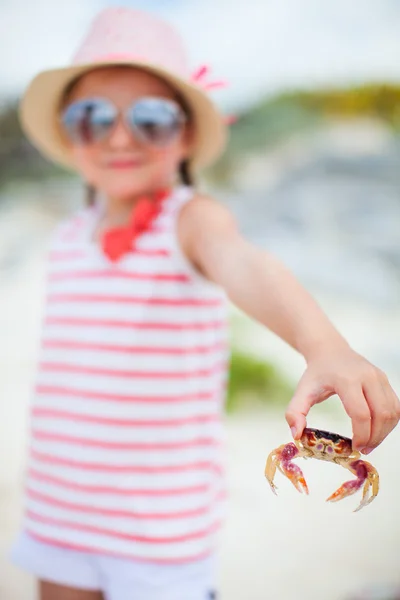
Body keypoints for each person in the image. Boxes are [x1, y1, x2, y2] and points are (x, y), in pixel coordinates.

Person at [11, 7, 400, 600]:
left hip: (160, 530)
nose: (119, 136)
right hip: (59, 508)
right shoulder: (67, 236)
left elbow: (245, 264)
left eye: (150, 118)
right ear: (69, 132)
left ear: (187, 133)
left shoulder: (192, 221)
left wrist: (324, 345)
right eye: (91, 116)